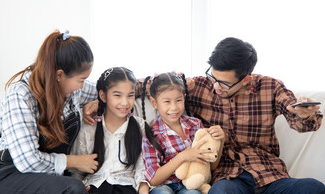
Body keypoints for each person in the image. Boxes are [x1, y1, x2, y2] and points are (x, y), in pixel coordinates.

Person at [184, 37, 325, 194]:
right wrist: (156, 80)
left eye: (224, 83)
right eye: (213, 77)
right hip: (229, 178)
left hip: (270, 176)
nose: (216, 86)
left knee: (313, 187)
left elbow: (298, 118)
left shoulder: (270, 87)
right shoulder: (198, 86)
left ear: (246, 79)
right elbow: (160, 88)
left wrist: (305, 114)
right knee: (221, 191)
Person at [0, 30, 97, 194]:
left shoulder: (72, 90)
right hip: (11, 178)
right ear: (60, 75)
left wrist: (99, 102)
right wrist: (74, 161)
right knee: (74, 188)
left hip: (48, 179)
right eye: (81, 80)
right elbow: (28, 161)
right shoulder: (20, 95)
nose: (82, 86)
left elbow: (109, 89)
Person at [141, 73, 225, 194]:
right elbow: (153, 179)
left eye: (178, 100)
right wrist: (183, 156)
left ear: (184, 98)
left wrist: (220, 141)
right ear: (154, 102)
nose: (174, 107)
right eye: (167, 102)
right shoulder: (151, 135)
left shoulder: (195, 125)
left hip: (191, 183)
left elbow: (210, 167)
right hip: (164, 186)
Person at [71, 67, 149, 194]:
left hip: (127, 187)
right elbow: (77, 171)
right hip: (94, 186)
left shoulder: (140, 126)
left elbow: (143, 166)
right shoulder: (89, 128)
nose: (124, 102)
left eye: (130, 95)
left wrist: (143, 187)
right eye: (117, 95)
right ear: (103, 96)